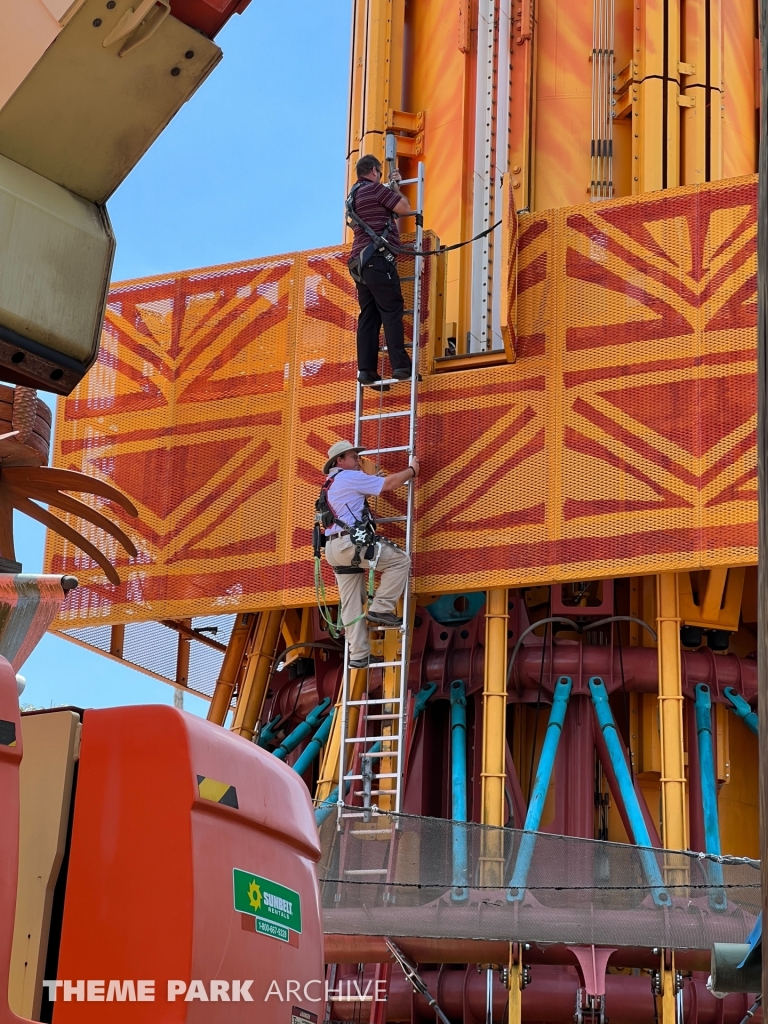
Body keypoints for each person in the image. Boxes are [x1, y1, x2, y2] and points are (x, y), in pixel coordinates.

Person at [320, 439, 420, 668]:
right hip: (349, 544)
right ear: (340, 461)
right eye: (354, 457)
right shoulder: (347, 476)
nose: (358, 461)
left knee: (351, 602)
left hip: (334, 550)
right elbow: (389, 484)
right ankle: (381, 608)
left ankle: (358, 655)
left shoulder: (329, 483)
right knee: (399, 561)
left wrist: (373, 479)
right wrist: (412, 470)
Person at [347, 154, 414, 387]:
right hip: (378, 260)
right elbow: (404, 208)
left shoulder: (353, 195)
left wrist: (391, 185)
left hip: (359, 263)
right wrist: (395, 188)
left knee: (369, 316)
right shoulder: (375, 190)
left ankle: (366, 371)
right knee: (392, 310)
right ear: (375, 171)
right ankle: (401, 365)